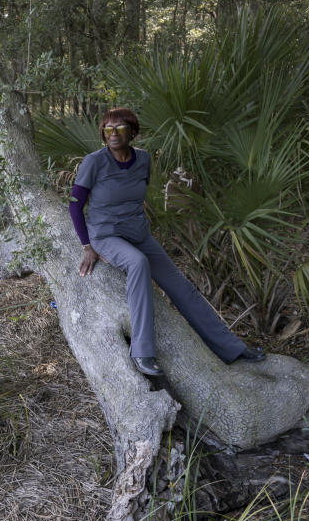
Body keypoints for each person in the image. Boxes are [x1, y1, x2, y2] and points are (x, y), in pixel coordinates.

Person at [69, 107, 265, 376]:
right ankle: (142, 352)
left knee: (181, 287)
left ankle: (232, 348)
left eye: (120, 128)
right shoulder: (94, 162)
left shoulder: (144, 159)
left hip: (139, 233)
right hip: (106, 234)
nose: (113, 134)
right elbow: (74, 206)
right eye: (108, 128)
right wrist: (87, 245)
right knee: (138, 264)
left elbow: (138, 196)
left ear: (133, 132)